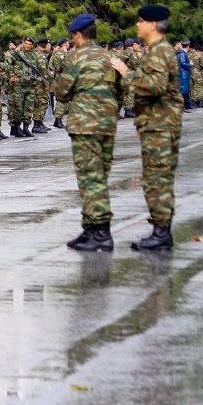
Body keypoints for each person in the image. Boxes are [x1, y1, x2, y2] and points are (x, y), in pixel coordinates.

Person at [110, 4, 184, 251]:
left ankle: (162, 233)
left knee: (157, 179)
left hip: (161, 125)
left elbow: (155, 86)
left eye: (141, 21)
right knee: (157, 177)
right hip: (157, 123)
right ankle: (161, 230)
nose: (137, 25)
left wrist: (126, 73)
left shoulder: (160, 51)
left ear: (152, 24)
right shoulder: (156, 50)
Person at [53, 14, 119, 251]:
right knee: (99, 176)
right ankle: (90, 228)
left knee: (90, 178)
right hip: (108, 124)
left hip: (85, 125)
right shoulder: (109, 57)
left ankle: (101, 232)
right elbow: (121, 90)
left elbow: (61, 91)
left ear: (79, 35)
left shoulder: (76, 57)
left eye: (73, 37)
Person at [175, 40, 192, 111]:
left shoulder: (182, 53)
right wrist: (190, 64)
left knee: (184, 90)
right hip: (183, 74)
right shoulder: (182, 54)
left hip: (183, 74)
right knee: (183, 91)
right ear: (188, 46)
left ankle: (185, 105)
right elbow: (183, 64)